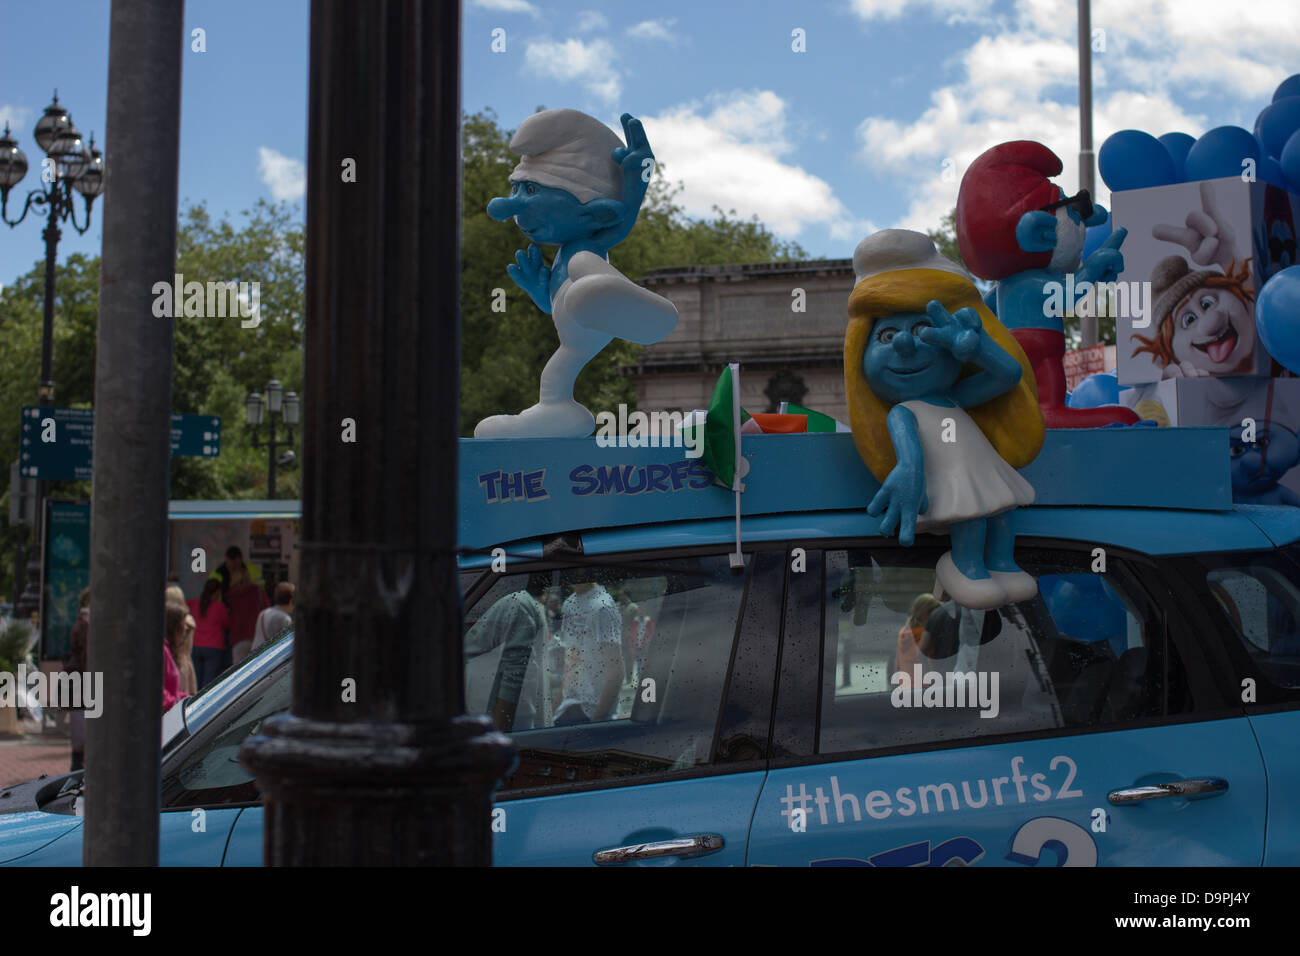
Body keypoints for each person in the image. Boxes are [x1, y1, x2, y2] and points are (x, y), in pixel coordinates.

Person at [845, 229, 1045, 609]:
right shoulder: (904, 413)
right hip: (955, 482)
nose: (906, 345)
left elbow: (1007, 377)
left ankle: (1001, 563)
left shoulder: (955, 399)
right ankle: (965, 566)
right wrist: (909, 475)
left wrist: (980, 348)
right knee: (972, 519)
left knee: (1001, 515)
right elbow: (909, 458)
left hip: (982, 472)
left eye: (922, 330)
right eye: (886, 335)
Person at [464, 574, 550, 731]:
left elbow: (513, 679)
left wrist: (496, 737)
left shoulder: (515, 604)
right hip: (480, 721)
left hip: (505, 729)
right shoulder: (494, 605)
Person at [554, 573, 623, 724]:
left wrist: (598, 718)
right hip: (566, 708)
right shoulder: (569, 604)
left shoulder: (603, 607)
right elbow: (570, 662)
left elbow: (616, 671)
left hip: (592, 711)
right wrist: (553, 708)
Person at [894, 594, 941, 689]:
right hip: (923, 688)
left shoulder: (903, 632)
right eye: (935, 612)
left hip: (904, 686)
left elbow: (897, 664)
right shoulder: (924, 635)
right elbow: (932, 663)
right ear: (927, 614)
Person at [66, 588, 90, 771]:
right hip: (84, 680)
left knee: (80, 733)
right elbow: (87, 656)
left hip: (78, 680)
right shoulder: (86, 623)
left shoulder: (81, 621)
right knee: (83, 734)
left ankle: (77, 770)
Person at [226, 564, 269, 665]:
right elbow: (267, 609)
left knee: (238, 673)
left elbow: (228, 619)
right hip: (257, 636)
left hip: (238, 638)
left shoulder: (231, 595)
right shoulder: (258, 591)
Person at [193, 577, 230, 690]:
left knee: (195, 681)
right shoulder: (220, 606)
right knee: (207, 685)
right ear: (217, 592)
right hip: (214, 647)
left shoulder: (195, 604)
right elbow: (227, 624)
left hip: (195, 646)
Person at [251, 582, 294, 654]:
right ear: (291, 600)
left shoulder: (264, 612)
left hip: (255, 655)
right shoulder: (284, 618)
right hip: (269, 658)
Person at [163, 602, 190, 714]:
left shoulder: (167, 649)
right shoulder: (162, 651)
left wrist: (188, 698)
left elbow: (172, 692)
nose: (186, 628)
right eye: (183, 624)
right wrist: (178, 706)